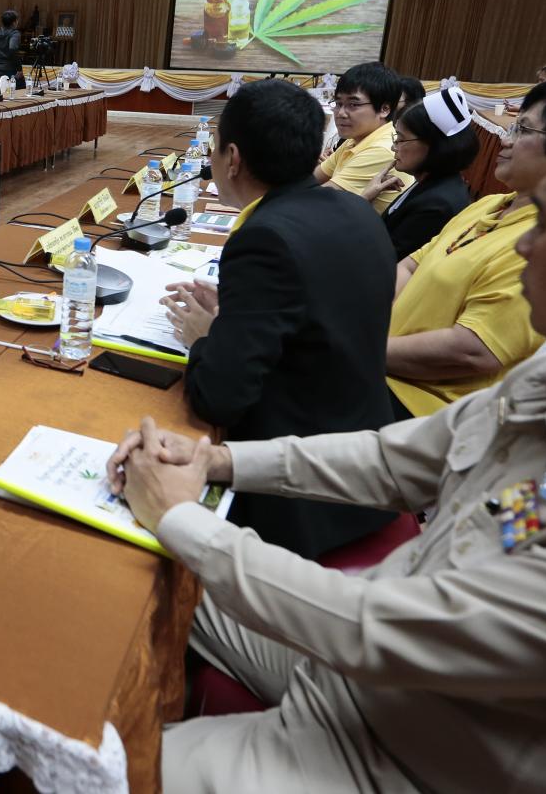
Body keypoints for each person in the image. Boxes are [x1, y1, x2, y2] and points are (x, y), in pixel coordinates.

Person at [110, 56, 546, 794]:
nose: (524, 242)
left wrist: (181, 513)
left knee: (72, 766)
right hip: (350, 674)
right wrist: (216, 465)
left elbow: (375, 628)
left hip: (391, 758)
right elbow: (392, 457)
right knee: (113, 579)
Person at [161, 79, 397, 558]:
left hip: (299, 498)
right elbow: (312, 321)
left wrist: (206, 337)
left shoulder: (266, 238)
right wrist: (239, 318)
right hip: (365, 466)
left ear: (232, 157)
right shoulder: (356, 211)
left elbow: (219, 399)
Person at [386, 75, 546, 420]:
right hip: (383, 370)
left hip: (427, 407)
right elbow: (410, 266)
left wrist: (363, 349)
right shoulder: (490, 204)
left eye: (524, 131)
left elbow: (472, 351)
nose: (505, 138)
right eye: (512, 126)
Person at [359, 84, 480, 260]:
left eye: (400, 139)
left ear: (434, 145)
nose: (394, 146)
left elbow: (381, 260)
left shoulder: (436, 206)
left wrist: (363, 202)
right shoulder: (432, 180)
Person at [315, 61, 407, 213]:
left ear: (384, 109)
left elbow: (316, 202)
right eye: (338, 103)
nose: (341, 113)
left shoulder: (381, 149)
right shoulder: (356, 139)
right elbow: (313, 179)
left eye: (353, 104)